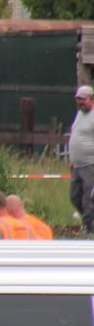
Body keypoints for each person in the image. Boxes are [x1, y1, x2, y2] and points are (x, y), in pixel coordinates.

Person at [69, 85, 94, 232]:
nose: (80, 102)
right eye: (78, 99)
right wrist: (72, 159)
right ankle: (88, 219)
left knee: (88, 199)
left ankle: (89, 230)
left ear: (91, 99)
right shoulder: (79, 114)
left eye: (83, 99)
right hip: (77, 165)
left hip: (90, 164)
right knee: (74, 196)